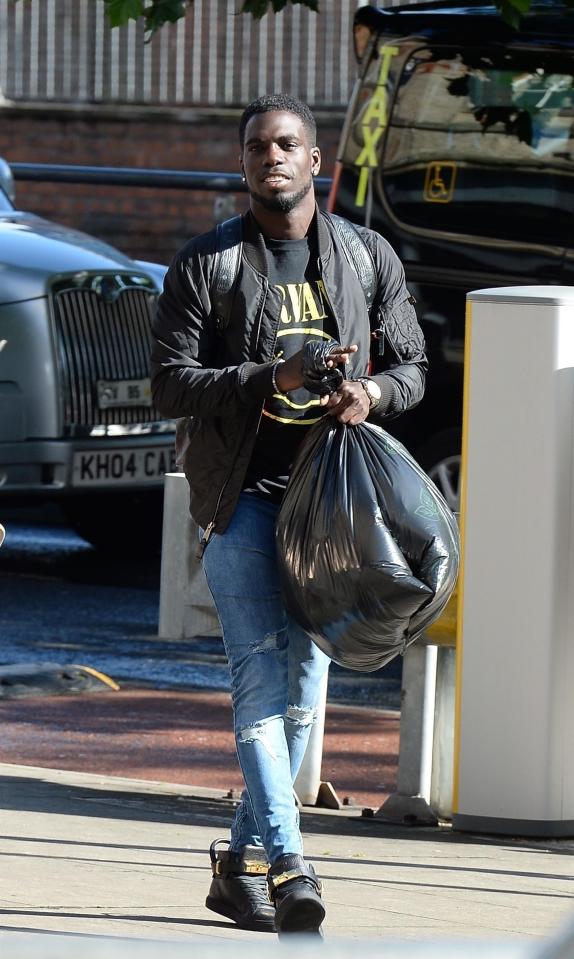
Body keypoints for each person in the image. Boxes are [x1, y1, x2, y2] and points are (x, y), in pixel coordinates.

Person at [150, 94, 427, 938]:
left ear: (316, 163)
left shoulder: (366, 255)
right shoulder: (209, 265)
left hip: (331, 514)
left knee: (305, 697)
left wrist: (367, 391)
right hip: (240, 505)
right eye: (257, 146)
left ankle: (239, 865)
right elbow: (169, 381)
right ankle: (290, 862)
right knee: (258, 680)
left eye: (288, 144)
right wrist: (271, 377)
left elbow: (413, 363)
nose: (272, 156)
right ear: (243, 164)